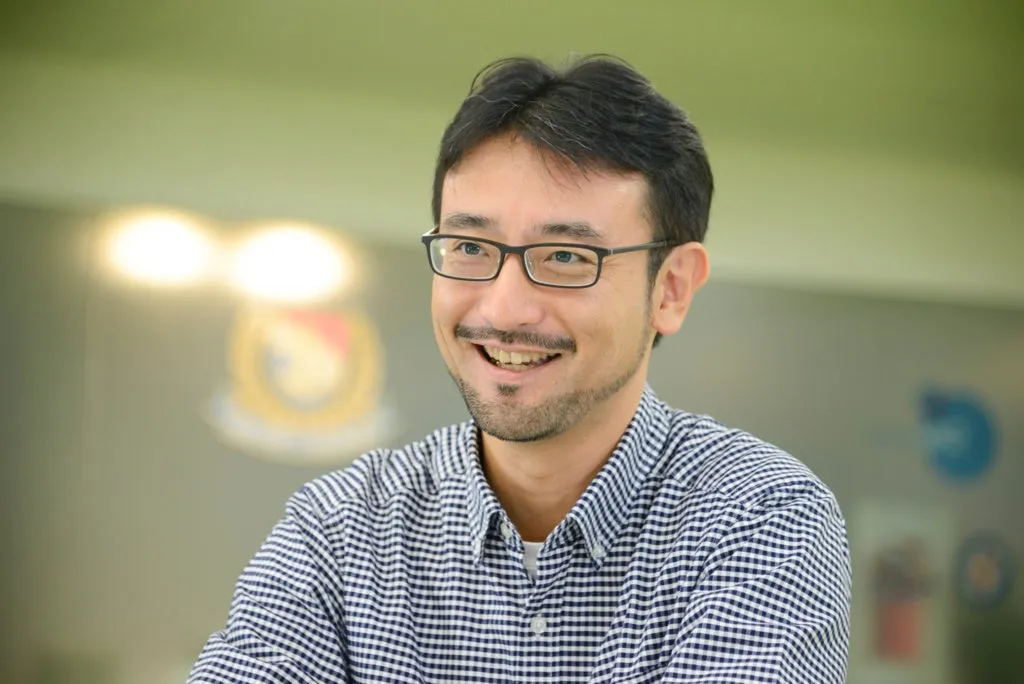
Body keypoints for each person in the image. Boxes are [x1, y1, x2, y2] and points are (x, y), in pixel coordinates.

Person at [189, 54, 851, 683]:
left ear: (671, 288)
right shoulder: (343, 529)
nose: (504, 307)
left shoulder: (757, 518)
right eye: (470, 247)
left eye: (565, 257)